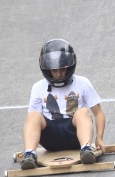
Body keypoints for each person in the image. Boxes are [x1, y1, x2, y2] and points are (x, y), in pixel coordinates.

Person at [16, 40, 107, 168]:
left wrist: (99, 138)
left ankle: (86, 149)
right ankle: (30, 154)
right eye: (54, 70)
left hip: (75, 135)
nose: (58, 74)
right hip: (51, 138)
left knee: (82, 112)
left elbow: (98, 113)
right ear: (47, 69)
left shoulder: (82, 82)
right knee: (33, 115)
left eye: (62, 70)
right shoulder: (38, 87)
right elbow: (32, 122)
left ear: (69, 66)